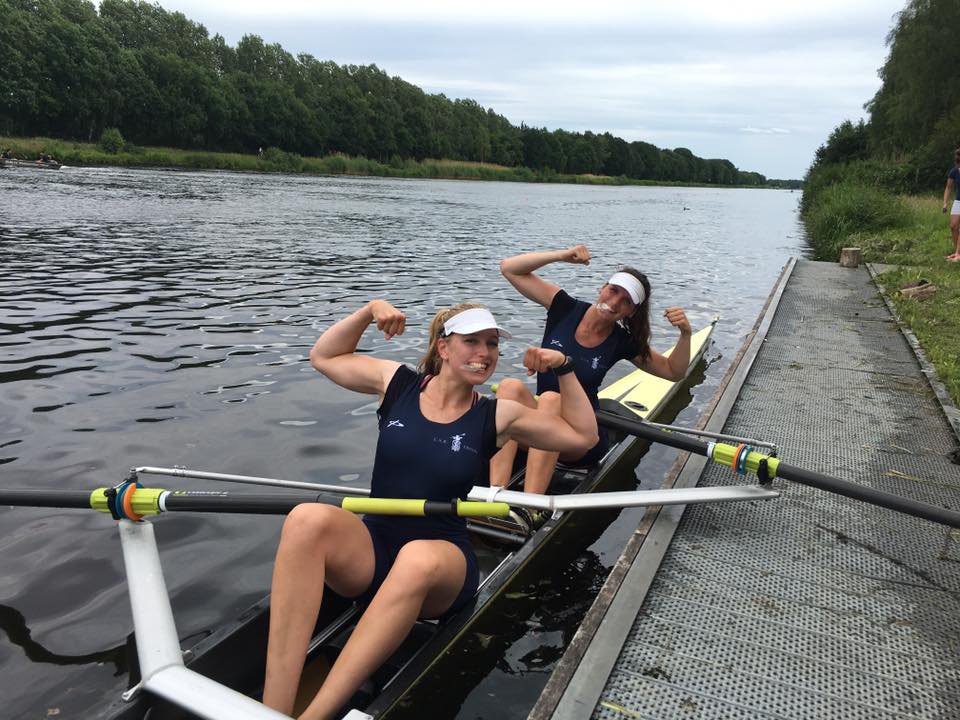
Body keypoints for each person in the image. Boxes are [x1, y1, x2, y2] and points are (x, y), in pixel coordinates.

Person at [262, 299, 597, 719]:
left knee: (417, 558)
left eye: (492, 344)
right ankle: (271, 710)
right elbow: (324, 356)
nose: (484, 353)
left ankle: (316, 716)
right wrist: (368, 311)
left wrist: (565, 367)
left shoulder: (498, 414)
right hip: (375, 549)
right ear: (443, 348)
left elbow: (583, 437)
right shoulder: (396, 383)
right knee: (305, 519)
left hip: (441, 563)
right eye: (472, 341)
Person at [490, 245, 692, 496]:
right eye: (613, 291)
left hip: (581, 437)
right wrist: (561, 256)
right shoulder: (564, 307)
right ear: (602, 288)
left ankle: (531, 504)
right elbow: (509, 268)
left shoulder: (621, 340)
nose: (614, 302)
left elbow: (673, 371)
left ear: (631, 312)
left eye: (626, 301)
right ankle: (494, 492)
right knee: (509, 387)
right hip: (546, 422)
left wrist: (685, 334)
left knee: (551, 399)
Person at [941, 148, 960, 261]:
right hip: (958, 201)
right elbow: (948, 188)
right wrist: (945, 203)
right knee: (953, 226)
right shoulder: (954, 171)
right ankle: (956, 252)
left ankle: (958, 253)